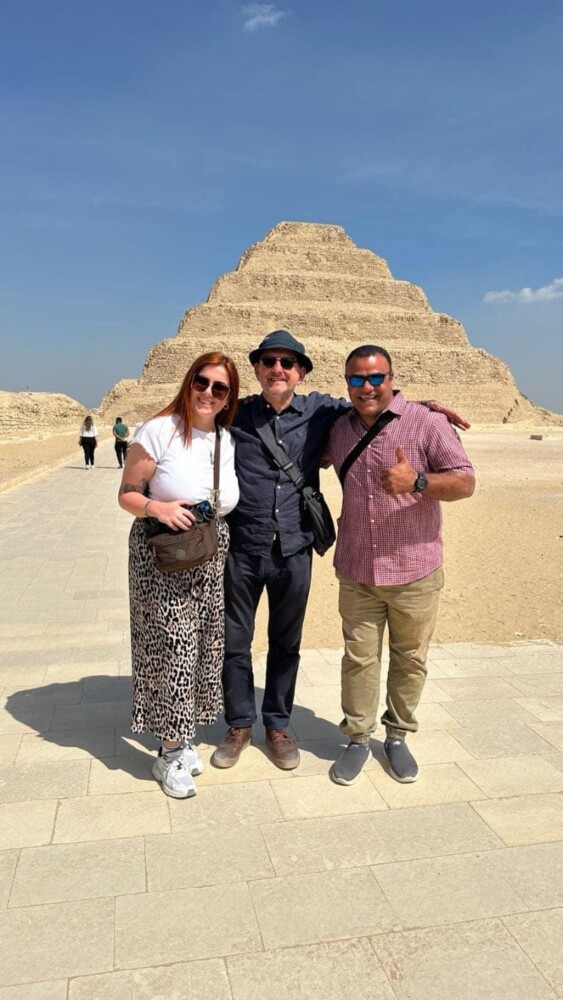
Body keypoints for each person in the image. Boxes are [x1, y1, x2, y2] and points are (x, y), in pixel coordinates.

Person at [212, 330, 469, 772]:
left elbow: (385, 408)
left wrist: (425, 412)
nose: (278, 369)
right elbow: (187, 416)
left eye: (287, 363)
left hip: (299, 548)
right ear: (255, 369)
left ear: (302, 373)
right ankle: (239, 726)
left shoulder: (321, 412)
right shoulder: (236, 413)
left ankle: (279, 725)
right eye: (269, 361)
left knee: (287, 643)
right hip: (245, 547)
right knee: (237, 643)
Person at [324, 345, 475, 786]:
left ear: (392, 378)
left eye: (376, 378)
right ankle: (356, 737)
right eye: (356, 379)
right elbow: (296, 424)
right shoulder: (338, 429)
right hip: (357, 569)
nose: (367, 387)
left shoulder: (427, 424)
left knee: (410, 658)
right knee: (358, 659)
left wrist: (420, 481)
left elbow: (465, 481)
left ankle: (397, 736)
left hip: (415, 570)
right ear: (346, 382)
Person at [118, 352, 240, 799]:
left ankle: (182, 734)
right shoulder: (158, 430)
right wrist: (158, 507)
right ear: (188, 383)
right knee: (172, 647)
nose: (208, 393)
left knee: (203, 646)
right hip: (163, 554)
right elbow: (127, 493)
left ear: (230, 398)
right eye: (201, 383)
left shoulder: (226, 439)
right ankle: (168, 753)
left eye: (219, 388)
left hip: (208, 552)